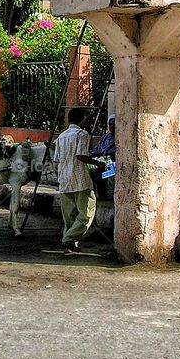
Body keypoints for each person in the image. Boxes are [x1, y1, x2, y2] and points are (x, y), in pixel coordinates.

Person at [54, 107, 103, 253]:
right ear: (81, 119)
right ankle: (68, 239)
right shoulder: (82, 134)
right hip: (80, 179)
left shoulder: (61, 136)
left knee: (69, 216)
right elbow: (80, 156)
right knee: (87, 213)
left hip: (64, 179)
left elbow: (56, 159)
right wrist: (98, 163)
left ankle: (70, 242)